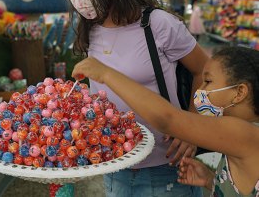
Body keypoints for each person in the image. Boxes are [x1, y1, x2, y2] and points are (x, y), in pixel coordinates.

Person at [58, 0, 208, 196]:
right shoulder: (90, 28)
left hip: (166, 165)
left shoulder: (157, 24)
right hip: (113, 163)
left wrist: (193, 127)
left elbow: (205, 71)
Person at [72, 46, 259, 197]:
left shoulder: (247, 134)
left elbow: (168, 119)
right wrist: (212, 180)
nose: (199, 91)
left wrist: (105, 74)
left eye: (208, 82)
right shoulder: (241, 137)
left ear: (239, 92)